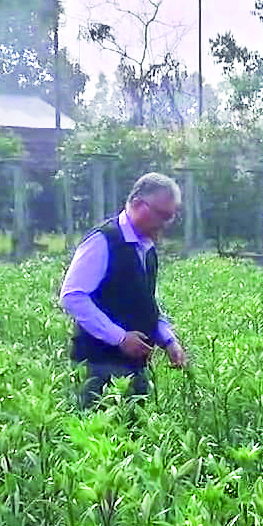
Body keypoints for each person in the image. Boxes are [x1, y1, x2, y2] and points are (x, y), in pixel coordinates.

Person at [59, 172, 189, 409]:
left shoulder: (147, 249)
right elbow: (73, 296)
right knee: (99, 440)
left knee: (133, 439)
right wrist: (119, 337)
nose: (165, 224)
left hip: (134, 367)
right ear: (138, 204)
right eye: (162, 215)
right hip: (99, 366)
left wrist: (169, 340)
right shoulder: (103, 241)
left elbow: (144, 303)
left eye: (170, 217)